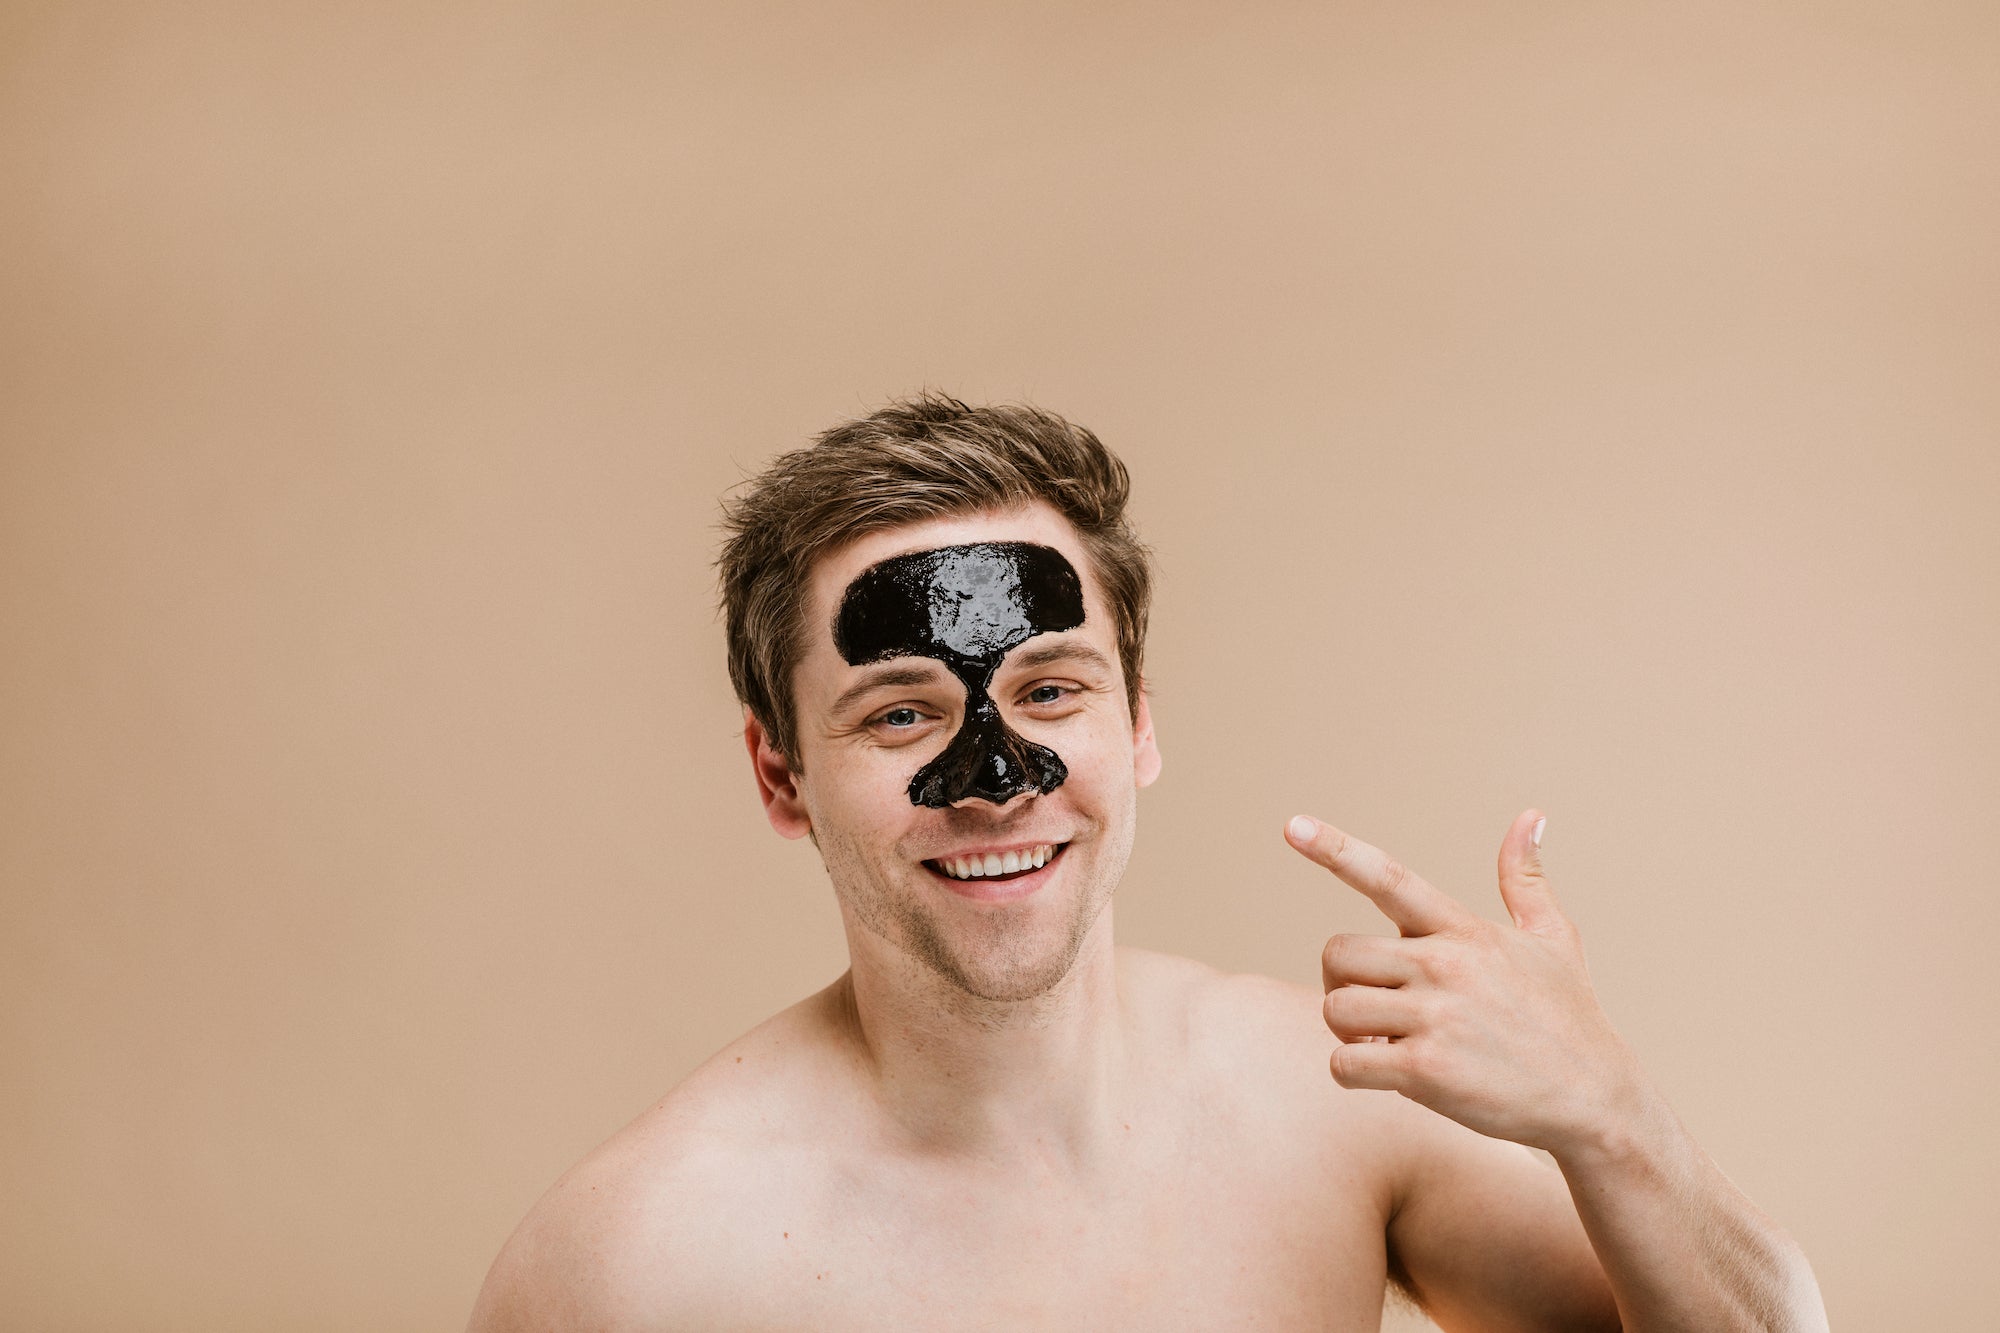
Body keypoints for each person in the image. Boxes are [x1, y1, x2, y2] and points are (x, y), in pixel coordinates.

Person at [468, 393, 1828, 1330]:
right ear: (781, 776)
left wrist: (1615, 1121)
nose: (997, 783)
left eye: (1052, 692)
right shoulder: (640, 1254)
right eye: (900, 713)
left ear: (1141, 723)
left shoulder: (1333, 1100)